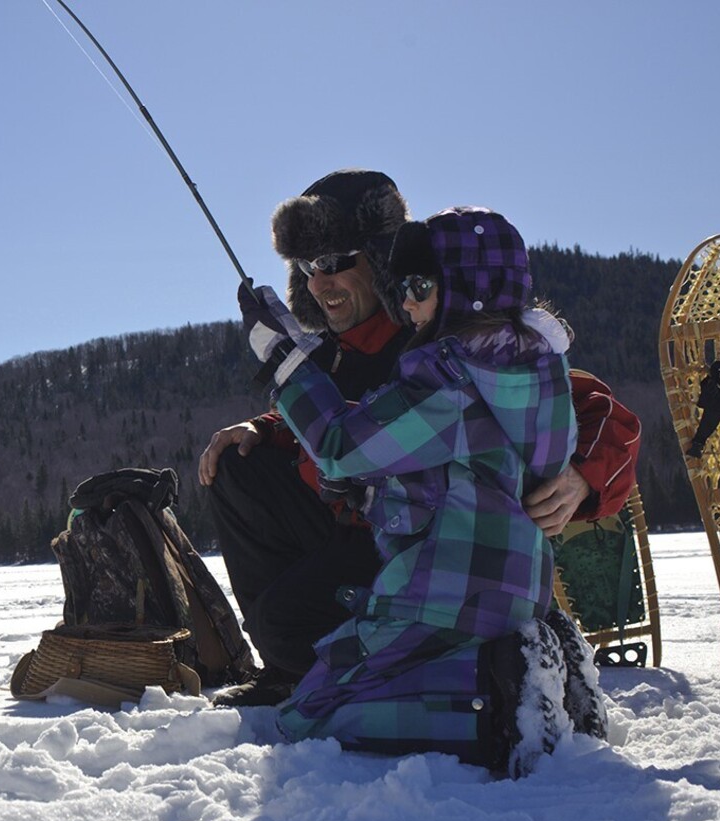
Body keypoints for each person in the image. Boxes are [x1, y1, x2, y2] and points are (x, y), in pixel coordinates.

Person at [198, 170, 640, 706]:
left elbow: (591, 408)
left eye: (337, 262)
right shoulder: (335, 355)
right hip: (369, 527)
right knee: (241, 467)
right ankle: (290, 665)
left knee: (285, 626)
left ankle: (473, 678)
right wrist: (265, 427)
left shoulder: (446, 339)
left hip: (433, 554)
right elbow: (342, 425)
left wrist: (580, 477)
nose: (320, 282)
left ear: (381, 261)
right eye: (309, 267)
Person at [241, 207, 585, 773]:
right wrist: (374, 498)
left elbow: (336, 442)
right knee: (365, 675)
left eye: (421, 286)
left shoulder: (450, 377)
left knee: (310, 713)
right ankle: (547, 682)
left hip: (444, 597)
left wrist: (284, 358)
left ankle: (493, 703)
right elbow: (467, 480)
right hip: (514, 596)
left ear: (467, 289)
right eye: (402, 287)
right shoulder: (537, 375)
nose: (407, 302)